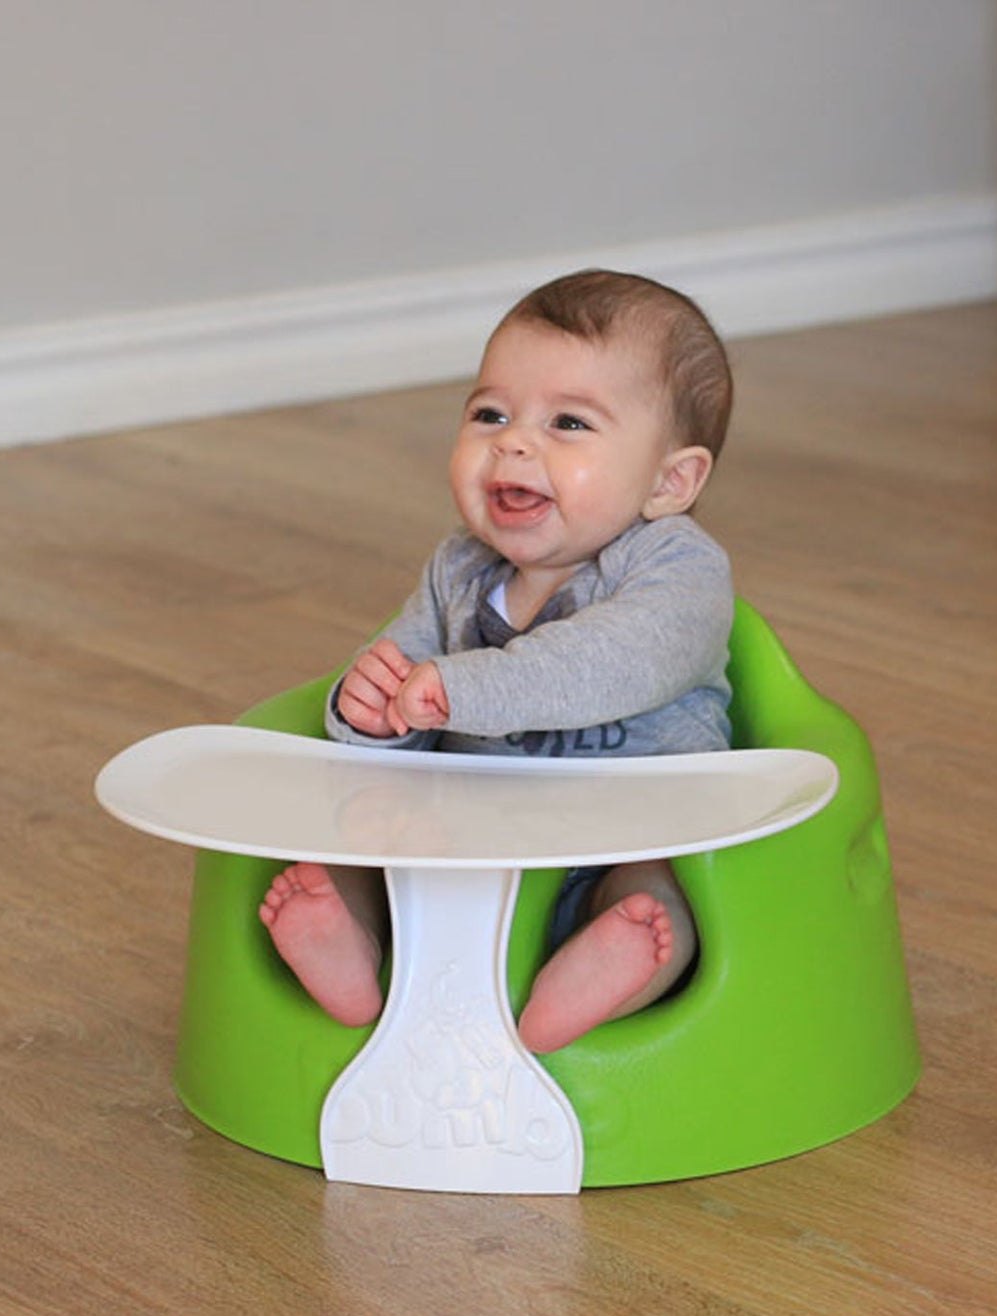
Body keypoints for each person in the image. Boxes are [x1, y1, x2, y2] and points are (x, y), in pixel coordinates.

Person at [259, 269, 735, 1053]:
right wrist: (369, 709)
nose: (512, 441)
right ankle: (348, 944)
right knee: (352, 847)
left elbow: (607, 663)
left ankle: (603, 970)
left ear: (668, 480)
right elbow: (404, 670)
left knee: (663, 899)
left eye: (568, 423)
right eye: (490, 413)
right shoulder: (460, 569)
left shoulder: (676, 569)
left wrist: (461, 688)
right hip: (463, 840)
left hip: (627, 834)